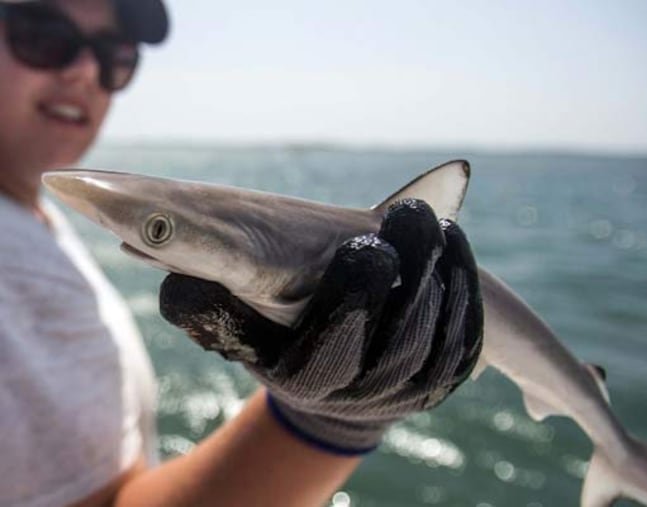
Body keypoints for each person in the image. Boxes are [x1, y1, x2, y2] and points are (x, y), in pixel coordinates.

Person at [0, 1, 484, 506]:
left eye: (113, 55)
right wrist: (328, 422)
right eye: (43, 35)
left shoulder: (28, 215)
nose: (83, 72)